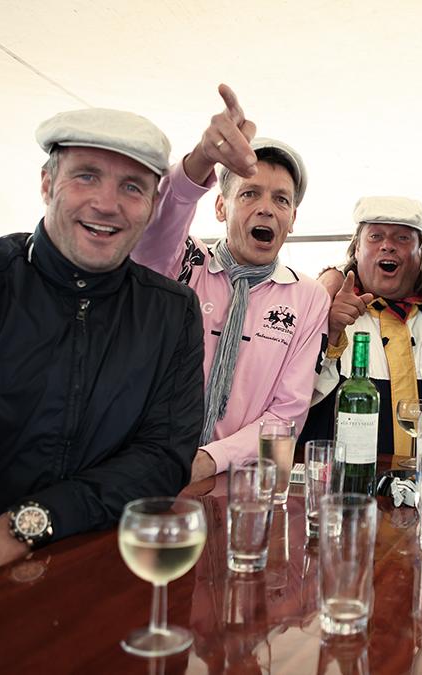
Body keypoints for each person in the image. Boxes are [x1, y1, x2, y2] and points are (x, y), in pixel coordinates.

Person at [0, 109, 205, 581]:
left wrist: (29, 522)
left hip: (93, 572)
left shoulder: (172, 312)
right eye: (86, 176)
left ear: (153, 205)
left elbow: (163, 457)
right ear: (47, 183)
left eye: (132, 187)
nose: (107, 204)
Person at [132, 85, 330, 483]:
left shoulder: (308, 298)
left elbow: (287, 415)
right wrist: (201, 160)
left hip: (239, 482)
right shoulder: (185, 261)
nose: (266, 209)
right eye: (250, 193)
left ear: (293, 219)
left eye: (281, 200)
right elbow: (151, 238)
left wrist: (209, 459)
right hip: (145, 467)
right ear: (221, 207)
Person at [300, 196, 422, 460]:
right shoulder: (324, 305)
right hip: (344, 479)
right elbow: (296, 397)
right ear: (356, 250)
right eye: (375, 236)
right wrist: (331, 329)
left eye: (402, 238)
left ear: (420, 254)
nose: (388, 246)